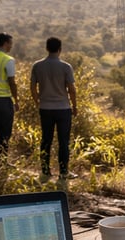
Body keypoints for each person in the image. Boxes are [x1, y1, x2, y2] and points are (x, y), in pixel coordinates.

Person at [30, 37, 79, 180]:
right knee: (63, 141)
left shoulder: (37, 66)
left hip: (45, 108)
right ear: (60, 49)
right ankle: (63, 172)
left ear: (46, 48)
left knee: (46, 139)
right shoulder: (66, 67)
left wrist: (37, 101)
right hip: (63, 108)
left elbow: (33, 87)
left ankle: (45, 171)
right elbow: (72, 89)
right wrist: (74, 106)